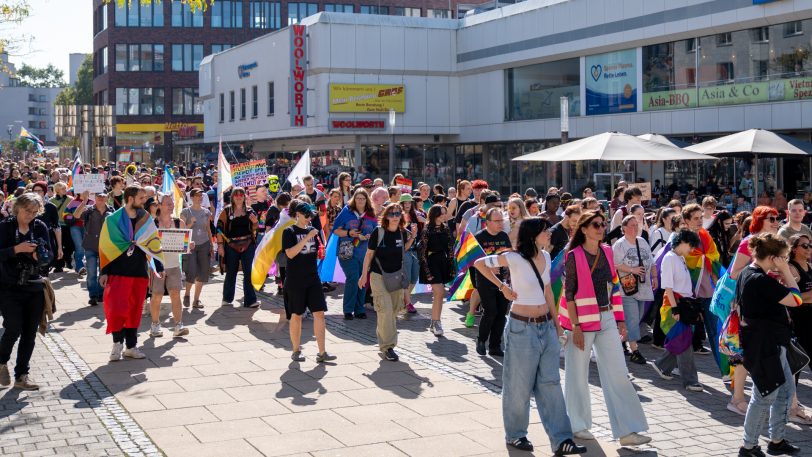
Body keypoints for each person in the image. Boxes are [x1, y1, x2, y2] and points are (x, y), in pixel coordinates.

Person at [473, 217, 586, 456]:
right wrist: (502, 286)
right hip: (521, 328)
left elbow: (546, 291)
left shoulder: (545, 256)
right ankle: (516, 435)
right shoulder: (512, 257)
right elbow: (479, 263)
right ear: (534, 234)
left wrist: (557, 325)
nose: (549, 234)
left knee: (551, 384)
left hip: (545, 327)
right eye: (545, 231)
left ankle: (561, 439)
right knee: (518, 386)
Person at [559, 211, 651, 446]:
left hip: (607, 318)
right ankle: (577, 425)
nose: (601, 228)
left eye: (602, 224)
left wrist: (620, 319)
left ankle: (628, 432)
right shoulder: (574, 255)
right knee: (577, 375)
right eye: (596, 225)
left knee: (619, 373)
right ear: (584, 229)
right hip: (581, 322)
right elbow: (569, 294)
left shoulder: (608, 252)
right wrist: (576, 327)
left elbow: (615, 287)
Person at [737, 233, 802, 457]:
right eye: (783, 258)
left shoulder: (751, 272)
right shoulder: (760, 279)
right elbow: (797, 300)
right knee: (765, 395)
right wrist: (785, 271)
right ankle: (748, 446)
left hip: (770, 343)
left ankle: (776, 440)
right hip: (766, 345)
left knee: (784, 392)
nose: (785, 261)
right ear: (774, 257)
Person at [726, 206, 781, 415]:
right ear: (760, 220)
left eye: (777, 218)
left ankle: (785, 401)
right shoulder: (748, 242)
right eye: (771, 218)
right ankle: (737, 397)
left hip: (768, 303)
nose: (776, 222)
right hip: (748, 305)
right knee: (745, 352)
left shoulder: (774, 242)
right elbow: (734, 273)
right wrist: (760, 270)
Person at [0, 193, 52, 390]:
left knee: (30, 333)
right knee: (13, 328)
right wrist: (17, 249)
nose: (30, 215)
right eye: (27, 211)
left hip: (34, 284)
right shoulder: (5, 226)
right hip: (9, 286)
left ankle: (22, 375)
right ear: (17, 208)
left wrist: (40, 254)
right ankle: (2, 361)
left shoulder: (40, 226)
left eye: (34, 212)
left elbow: (50, 256)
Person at [101, 186, 153, 362]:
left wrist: (157, 265)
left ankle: (131, 347)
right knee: (116, 310)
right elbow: (105, 247)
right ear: (130, 198)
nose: (144, 201)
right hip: (117, 272)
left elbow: (154, 243)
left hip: (139, 272)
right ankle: (117, 344)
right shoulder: (113, 220)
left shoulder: (146, 219)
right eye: (141, 197)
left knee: (133, 311)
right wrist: (104, 272)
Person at [359, 203, 415, 361]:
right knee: (385, 310)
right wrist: (364, 275)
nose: (395, 217)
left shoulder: (403, 232)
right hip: (378, 276)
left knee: (394, 310)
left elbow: (402, 250)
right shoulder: (379, 232)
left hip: (396, 276)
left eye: (398, 214)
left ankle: (383, 336)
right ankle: (388, 347)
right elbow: (369, 255)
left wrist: (413, 237)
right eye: (392, 214)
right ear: (386, 216)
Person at [282, 201, 336, 363]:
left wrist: (321, 251)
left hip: (313, 278)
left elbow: (316, 253)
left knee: (319, 313)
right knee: (296, 315)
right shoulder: (289, 231)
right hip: (295, 279)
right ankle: (296, 350)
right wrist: (306, 237)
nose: (308, 218)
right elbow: (290, 254)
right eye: (306, 215)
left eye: (310, 215)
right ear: (297, 214)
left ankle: (322, 352)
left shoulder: (313, 231)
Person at [650, 229, 703, 392]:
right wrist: (675, 309)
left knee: (681, 340)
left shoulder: (679, 258)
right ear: (682, 242)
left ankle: (661, 365)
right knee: (684, 342)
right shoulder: (670, 258)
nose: (692, 249)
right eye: (691, 245)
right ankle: (690, 380)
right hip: (674, 305)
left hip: (682, 304)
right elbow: (668, 287)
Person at [612, 214, 656, 365]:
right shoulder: (619, 244)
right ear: (623, 228)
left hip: (643, 288)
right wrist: (633, 269)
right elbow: (615, 265)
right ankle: (635, 351)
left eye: (636, 225)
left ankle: (620, 342)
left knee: (636, 318)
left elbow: (652, 261)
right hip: (626, 288)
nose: (635, 228)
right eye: (631, 225)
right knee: (632, 319)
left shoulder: (642, 241)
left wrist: (655, 277)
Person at [472, 207, 514, 355]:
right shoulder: (479, 237)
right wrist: (490, 268)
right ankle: (482, 340)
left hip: (503, 280)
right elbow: (474, 261)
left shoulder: (503, 235)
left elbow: (509, 256)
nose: (500, 223)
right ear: (487, 222)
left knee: (502, 312)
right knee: (490, 311)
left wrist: (507, 270)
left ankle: (495, 345)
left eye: (501, 220)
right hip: (485, 280)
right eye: (496, 221)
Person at [148, 194, 190, 338]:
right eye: (167, 204)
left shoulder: (179, 223)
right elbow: (146, 245)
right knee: (157, 295)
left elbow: (185, 244)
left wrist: (189, 244)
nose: (171, 206)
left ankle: (178, 325)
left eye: (172, 203)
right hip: (158, 266)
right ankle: (155, 325)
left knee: (175, 294)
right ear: (159, 205)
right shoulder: (152, 224)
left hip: (174, 265)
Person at [332, 188, 377, 319]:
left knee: (362, 279)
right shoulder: (347, 212)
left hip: (364, 253)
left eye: (363, 198)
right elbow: (336, 230)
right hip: (347, 251)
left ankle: (359, 309)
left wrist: (369, 236)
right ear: (354, 199)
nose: (360, 201)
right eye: (358, 198)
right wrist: (348, 233)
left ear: (367, 200)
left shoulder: (371, 214)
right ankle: (348, 309)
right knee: (353, 278)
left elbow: (376, 233)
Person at [216, 187, 259, 308]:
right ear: (232, 197)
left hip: (248, 245)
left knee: (249, 272)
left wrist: (255, 222)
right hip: (231, 245)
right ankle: (227, 298)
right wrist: (220, 246)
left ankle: (250, 300)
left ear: (245, 197)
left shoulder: (250, 211)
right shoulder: (226, 211)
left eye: (241, 195)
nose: (239, 197)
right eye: (236, 195)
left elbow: (255, 229)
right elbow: (219, 229)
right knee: (231, 272)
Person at [785, 234, 812, 425]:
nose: (809, 248)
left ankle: (791, 405)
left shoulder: (809, 267)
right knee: (796, 365)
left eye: (810, 245)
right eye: (804, 245)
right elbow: (793, 298)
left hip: (809, 320)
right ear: (794, 248)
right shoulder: (791, 269)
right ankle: (790, 407)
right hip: (799, 322)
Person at [419, 204, 454, 332]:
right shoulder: (427, 230)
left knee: (439, 295)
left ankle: (435, 322)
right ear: (436, 215)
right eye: (443, 213)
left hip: (443, 262)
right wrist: (426, 272)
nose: (445, 215)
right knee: (439, 292)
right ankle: (436, 322)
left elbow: (450, 248)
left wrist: (451, 267)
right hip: (430, 262)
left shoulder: (446, 229)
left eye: (445, 213)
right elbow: (422, 253)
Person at [181, 189, 213, 309]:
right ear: (192, 197)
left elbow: (208, 229)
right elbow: (182, 231)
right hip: (191, 245)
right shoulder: (185, 212)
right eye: (197, 195)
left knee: (203, 273)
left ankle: (196, 300)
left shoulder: (206, 212)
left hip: (204, 244)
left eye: (201, 196)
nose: (200, 197)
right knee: (191, 271)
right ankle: (187, 294)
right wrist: (190, 224)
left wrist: (211, 244)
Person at [81, 192, 113, 306]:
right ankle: (93, 295)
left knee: (103, 272)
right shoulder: (88, 210)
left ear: (107, 198)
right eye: (99, 196)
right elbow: (75, 216)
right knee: (91, 272)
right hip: (91, 245)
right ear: (94, 198)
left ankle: (100, 294)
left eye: (104, 196)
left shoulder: (112, 211)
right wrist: (83, 202)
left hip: (105, 247)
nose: (101, 198)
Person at [400, 194, 424, 313]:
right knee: (406, 277)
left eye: (409, 203)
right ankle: (408, 302)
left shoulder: (417, 215)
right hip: (405, 250)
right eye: (405, 203)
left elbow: (428, 223)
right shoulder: (398, 216)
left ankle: (404, 299)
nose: (407, 205)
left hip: (416, 250)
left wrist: (423, 220)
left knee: (414, 278)